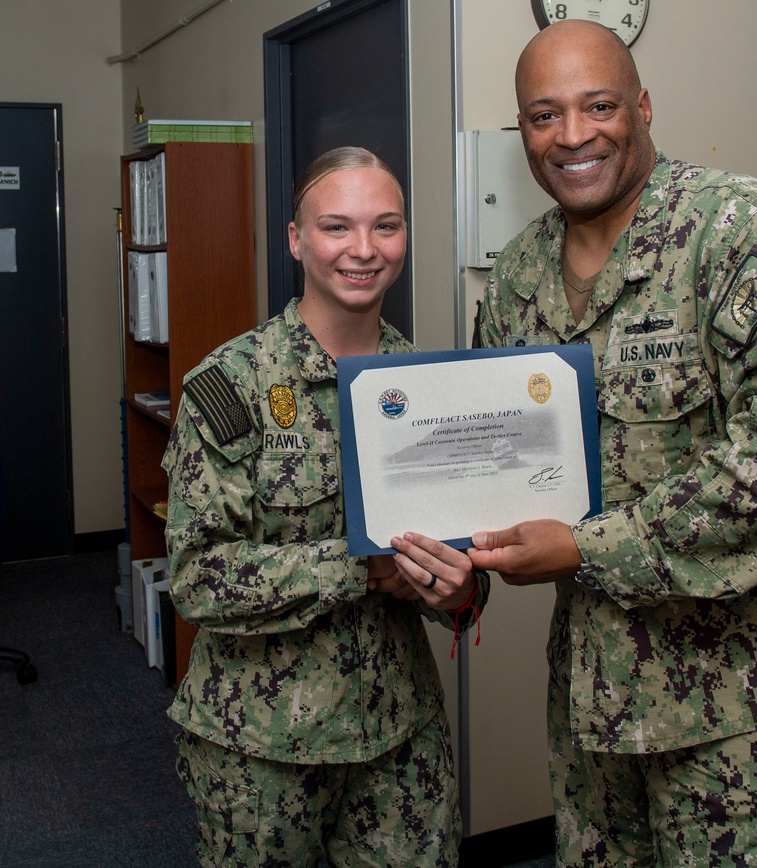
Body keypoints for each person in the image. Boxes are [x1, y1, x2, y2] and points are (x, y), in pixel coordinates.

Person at [470, 20, 757, 867]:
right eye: (543, 116)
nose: (572, 135)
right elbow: (487, 459)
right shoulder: (518, 279)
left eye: (598, 104)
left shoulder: (741, 230)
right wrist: (447, 562)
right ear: (523, 132)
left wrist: (586, 545)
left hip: (745, 709)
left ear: (642, 106)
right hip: (596, 707)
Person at [162, 146, 487, 868]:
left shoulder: (431, 389)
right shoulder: (231, 387)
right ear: (296, 240)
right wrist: (357, 567)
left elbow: (461, 564)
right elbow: (198, 577)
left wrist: (461, 588)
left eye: (387, 226)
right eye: (337, 227)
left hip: (400, 737)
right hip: (264, 750)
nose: (364, 250)